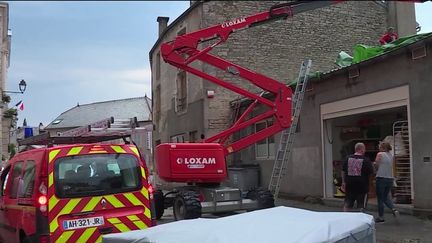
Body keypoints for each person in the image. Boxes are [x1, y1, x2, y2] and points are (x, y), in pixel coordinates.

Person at [342, 142, 374, 212]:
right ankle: (360, 218)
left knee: (348, 202)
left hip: (350, 184)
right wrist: (370, 184)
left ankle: (345, 217)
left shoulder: (347, 158)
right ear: (361, 150)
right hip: (362, 186)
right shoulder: (366, 160)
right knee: (361, 204)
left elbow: (344, 171)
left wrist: (343, 182)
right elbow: (370, 173)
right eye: (364, 149)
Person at [374, 142, 399, 223]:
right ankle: (393, 209)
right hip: (389, 179)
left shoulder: (380, 154)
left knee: (380, 199)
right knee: (385, 197)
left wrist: (374, 165)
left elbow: (376, 164)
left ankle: (381, 217)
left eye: (380, 146)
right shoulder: (391, 155)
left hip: (381, 177)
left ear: (382, 147)